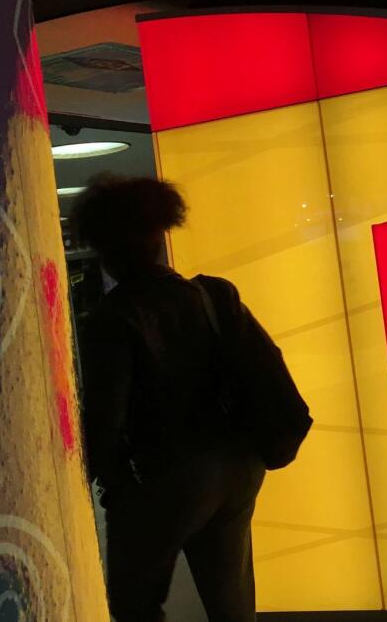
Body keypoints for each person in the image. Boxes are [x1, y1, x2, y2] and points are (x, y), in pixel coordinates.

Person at [71, 175, 268, 622]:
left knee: (134, 602)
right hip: (237, 465)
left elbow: (108, 414)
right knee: (232, 604)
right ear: (161, 233)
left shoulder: (114, 317)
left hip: (167, 475)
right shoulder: (209, 296)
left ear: (105, 248)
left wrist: (101, 476)